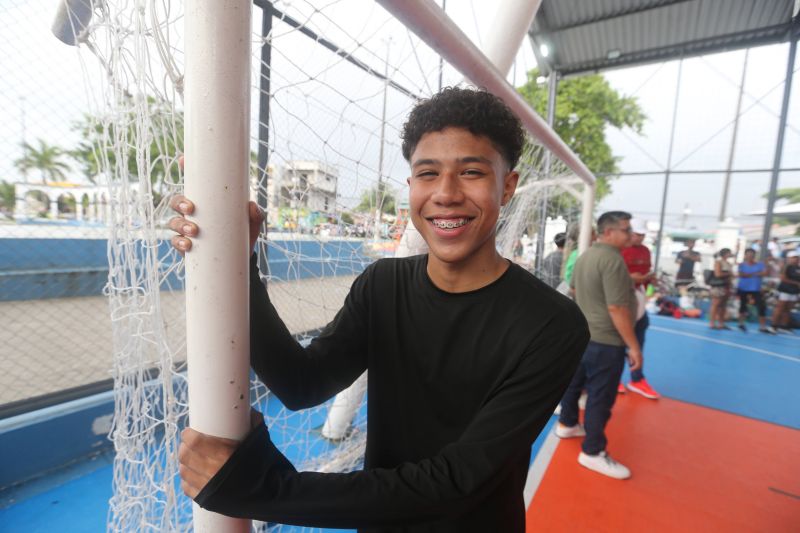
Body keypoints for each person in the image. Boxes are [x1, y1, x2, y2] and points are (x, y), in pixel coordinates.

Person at [170, 87, 589, 532]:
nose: (445, 194)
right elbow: (301, 383)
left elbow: (457, 482)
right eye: (428, 174)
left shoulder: (553, 325)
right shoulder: (384, 284)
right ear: (411, 187)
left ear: (508, 186)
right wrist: (238, 263)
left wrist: (260, 488)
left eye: (471, 172)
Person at [556, 211, 642, 480]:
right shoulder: (613, 262)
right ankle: (593, 452)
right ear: (608, 232)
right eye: (626, 230)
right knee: (600, 397)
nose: (631, 235)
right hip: (605, 341)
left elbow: (574, 290)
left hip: (583, 336)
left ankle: (567, 423)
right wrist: (634, 346)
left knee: (573, 384)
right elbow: (616, 307)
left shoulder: (585, 257)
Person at [619, 218, 660, 399]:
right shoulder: (619, 250)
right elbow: (613, 274)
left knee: (639, 334)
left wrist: (649, 279)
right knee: (619, 338)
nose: (640, 237)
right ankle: (616, 377)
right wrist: (632, 278)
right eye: (637, 234)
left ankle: (636, 378)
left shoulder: (645, 251)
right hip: (623, 297)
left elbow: (645, 272)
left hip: (639, 296)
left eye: (642, 234)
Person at [736, 248, 774, 334]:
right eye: (748, 254)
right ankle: (741, 323)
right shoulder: (741, 265)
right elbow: (741, 274)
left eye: (752, 254)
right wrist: (756, 273)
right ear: (745, 255)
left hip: (756, 289)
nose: (750, 256)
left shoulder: (760, 264)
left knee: (761, 306)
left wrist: (750, 274)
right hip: (743, 288)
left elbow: (765, 273)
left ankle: (762, 327)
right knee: (743, 306)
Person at [770, 250, 800, 334]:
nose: (796, 259)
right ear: (789, 258)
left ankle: (784, 326)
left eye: (797, 258)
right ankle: (774, 326)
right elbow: (783, 278)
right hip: (785, 290)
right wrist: (796, 283)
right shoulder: (786, 266)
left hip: (794, 291)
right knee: (780, 308)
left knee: (788, 309)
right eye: (794, 258)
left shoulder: (798, 268)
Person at [708, 248, 734, 330]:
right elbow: (718, 274)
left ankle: (721, 323)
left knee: (723, 305)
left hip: (726, 285)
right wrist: (729, 273)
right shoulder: (719, 262)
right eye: (729, 253)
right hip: (718, 286)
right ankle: (712, 322)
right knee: (716, 303)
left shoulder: (728, 263)